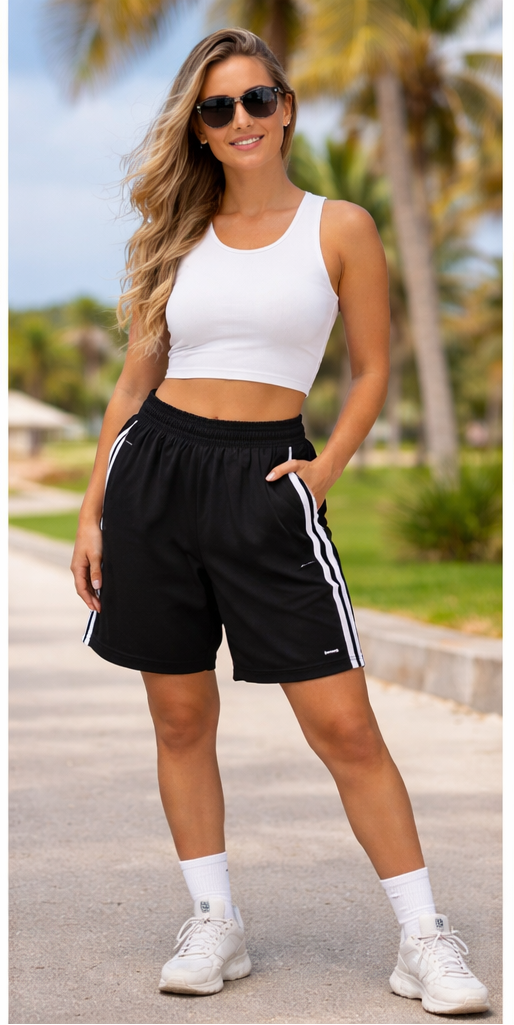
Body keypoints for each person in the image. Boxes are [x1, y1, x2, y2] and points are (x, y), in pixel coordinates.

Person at [71, 27, 489, 1015]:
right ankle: (213, 918)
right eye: (217, 109)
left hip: (268, 480)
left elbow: (373, 367)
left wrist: (324, 471)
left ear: (287, 106)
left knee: (343, 721)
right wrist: (93, 506)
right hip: (156, 477)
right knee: (180, 715)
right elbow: (136, 377)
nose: (240, 120)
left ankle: (423, 935)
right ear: (200, 132)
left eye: (256, 99)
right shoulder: (177, 233)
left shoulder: (337, 225)